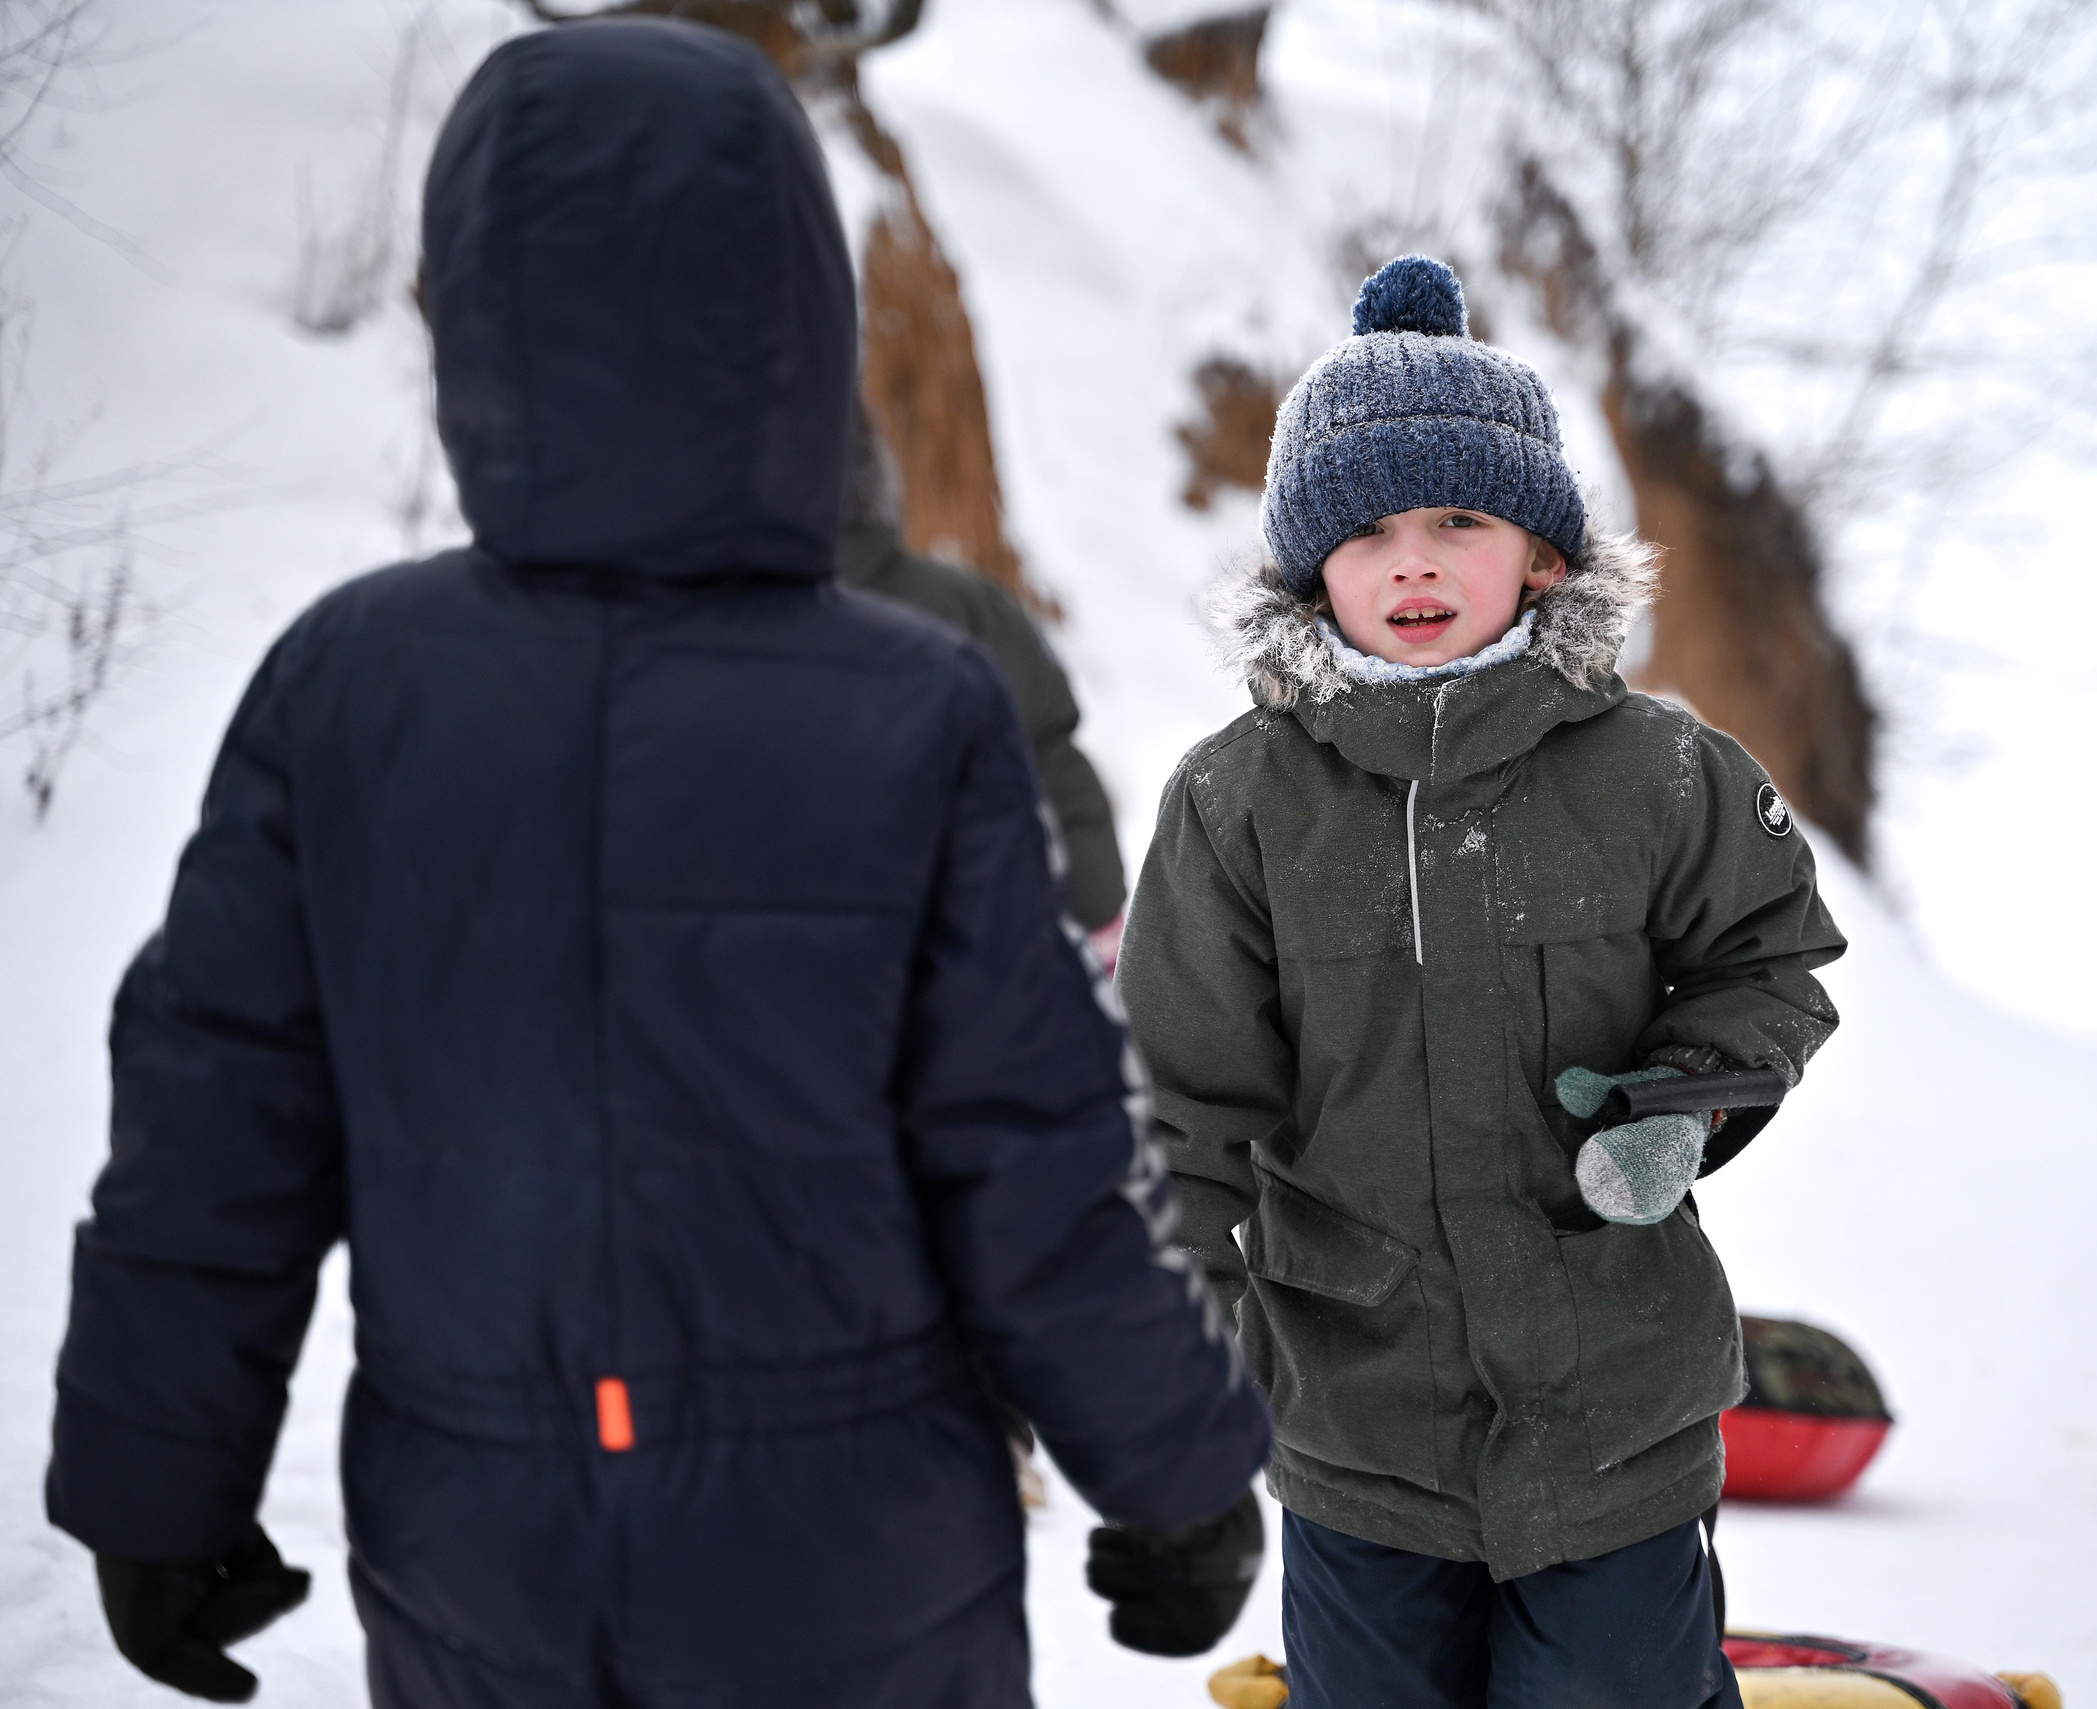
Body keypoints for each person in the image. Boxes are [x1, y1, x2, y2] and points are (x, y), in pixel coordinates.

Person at [45, 21, 1266, 1708]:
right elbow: (1031, 1154)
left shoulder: (345, 686)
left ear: (478, 318)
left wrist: (154, 1486)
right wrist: (1177, 1473)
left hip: (484, 1549)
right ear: (798, 317)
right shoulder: (917, 706)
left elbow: (211, 1135)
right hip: (858, 1560)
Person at [1116, 257, 1847, 1709]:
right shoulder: (1239, 804)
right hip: (1356, 1421)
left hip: (1615, 1400)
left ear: (1545, 555)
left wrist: (1676, 1105)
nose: (1415, 563)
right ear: (1308, 572)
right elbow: (1179, 1115)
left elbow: (1766, 956)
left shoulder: (1660, 771)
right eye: (1367, 530)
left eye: (1459, 519)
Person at [835, 409, 1129, 962]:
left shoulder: (709, 638)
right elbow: (1049, 748)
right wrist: (1099, 914)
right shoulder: (966, 606)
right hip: (974, 955)